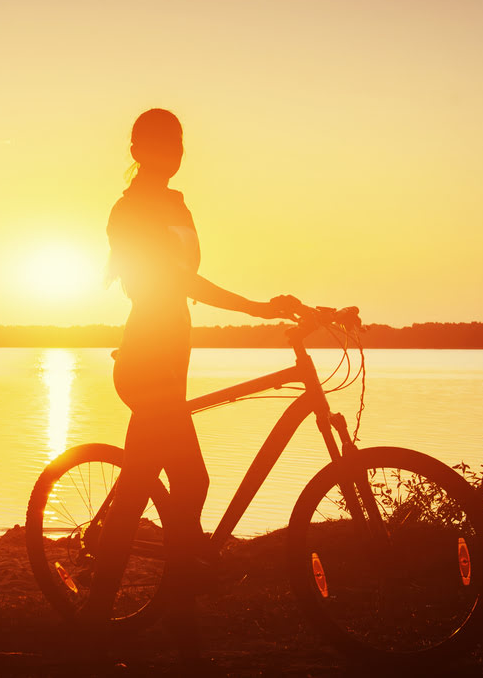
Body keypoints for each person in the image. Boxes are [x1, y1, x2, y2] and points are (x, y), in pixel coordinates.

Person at [86, 108, 298, 654]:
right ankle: (171, 614)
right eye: (161, 145)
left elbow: (185, 279)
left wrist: (282, 306)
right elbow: (177, 279)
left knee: (142, 485)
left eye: (178, 143)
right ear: (137, 151)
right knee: (189, 481)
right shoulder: (127, 211)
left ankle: (109, 613)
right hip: (145, 360)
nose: (174, 153)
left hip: (172, 354)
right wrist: (255, 308)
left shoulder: (178, 204)